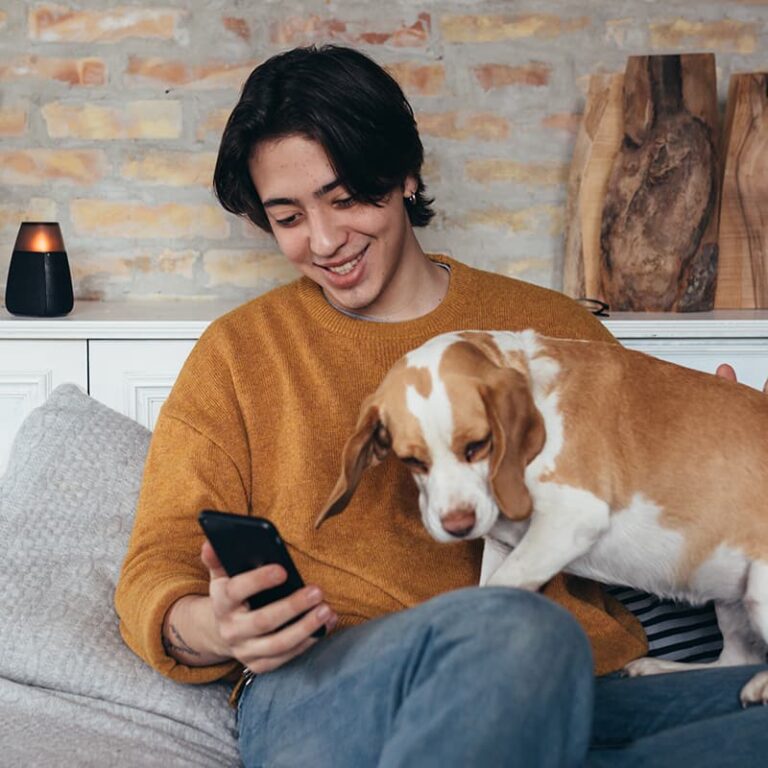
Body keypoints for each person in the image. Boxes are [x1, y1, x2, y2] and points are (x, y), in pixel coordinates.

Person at [115, 45, 767, 767]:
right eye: (288, 216)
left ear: (404, 174)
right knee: (514, 624)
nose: (325, 240)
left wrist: (719, 443)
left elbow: (649, 493)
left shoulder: (550, 333)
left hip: (573, 690)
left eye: (344, 198)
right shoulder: (239, 354)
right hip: (334, 685)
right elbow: (157, 562)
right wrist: (213, 627)